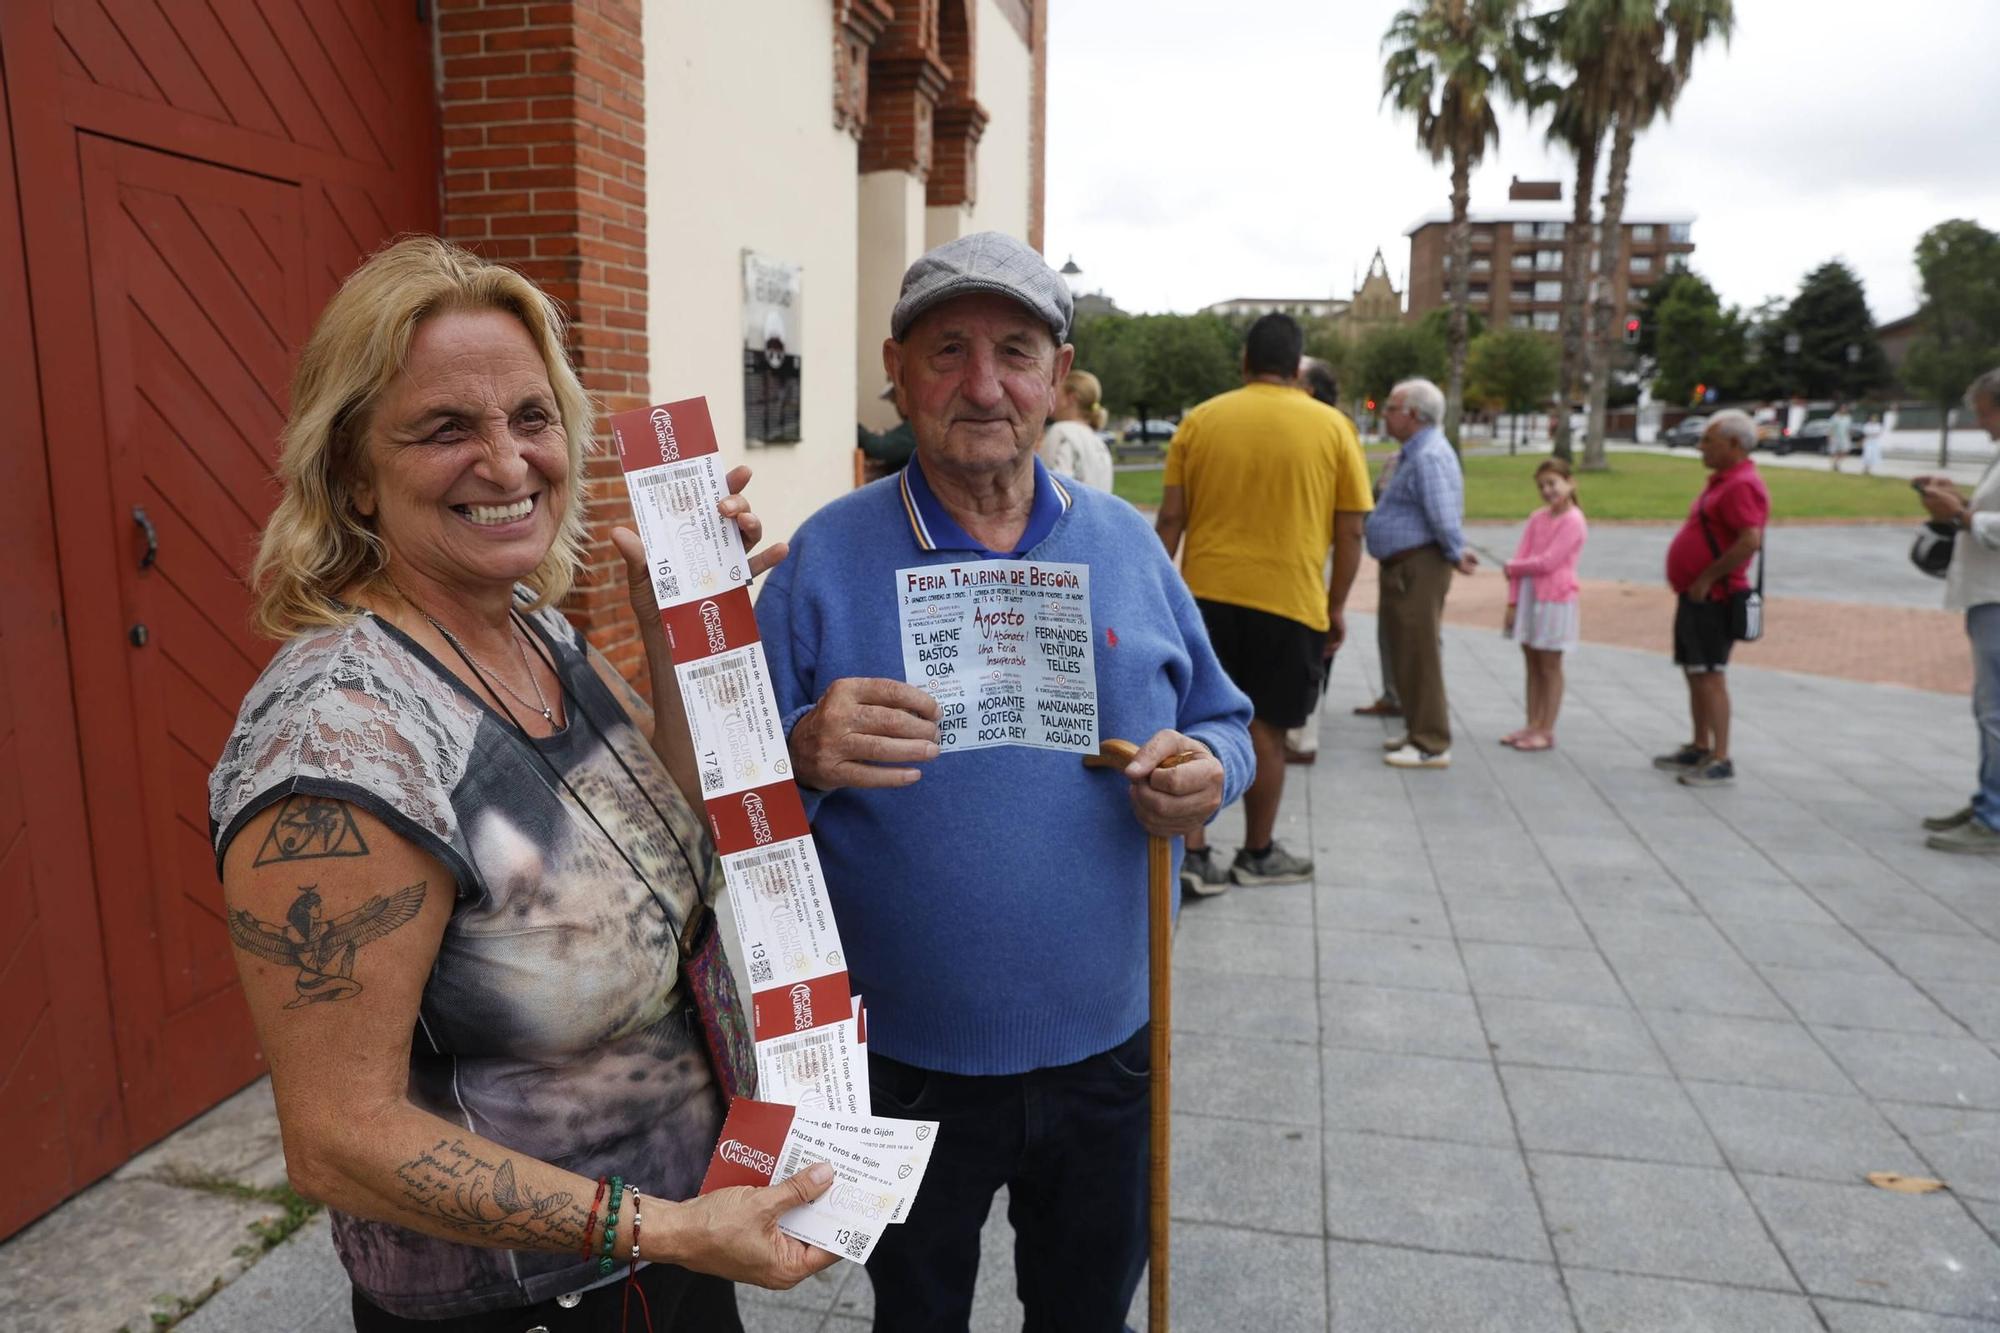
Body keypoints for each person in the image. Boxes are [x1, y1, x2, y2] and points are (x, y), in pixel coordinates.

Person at [209, 237, 837, 1330]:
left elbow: (679, 840)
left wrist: (669, 626)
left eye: (531, 418)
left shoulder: (533, 636)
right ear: (354, 468)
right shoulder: (341, 741)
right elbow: (338, 1136)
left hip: (672, 1249)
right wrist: (668, 1228)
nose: (506, 464)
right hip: (520, 1305)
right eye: (445, 428)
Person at [752, 230, 1253, 1331]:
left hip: (1108, 1047)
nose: (983, 386)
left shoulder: (1126, 546)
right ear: (895, 368)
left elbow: (1224, 715)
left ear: (1057, 377)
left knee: (1084, 1313)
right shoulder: (821, 560)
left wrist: (1210, 768)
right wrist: (794, 750)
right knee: (915, 1314)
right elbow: (725, 804)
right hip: (903, 1059)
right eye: (947, 352)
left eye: (1015, 351)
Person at [1155, 320, 1371, 888]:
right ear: (1299, 368)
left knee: (1193, 722)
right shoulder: (1333, 428)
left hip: (1205, 598)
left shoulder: (1201, 420)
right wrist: (1337, 605)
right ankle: (1257, 852)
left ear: (1244, 359)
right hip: (1291, 602)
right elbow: (1351, 533)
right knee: (1268, 731)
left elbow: (1172, 518)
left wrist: (1154, 597)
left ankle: (1195, 856)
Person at [1652, 409, 1769, 788]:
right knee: (1695, 670)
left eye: (1708, 440)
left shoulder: (1741, 485)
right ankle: (1700, 745)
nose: (1701, 447)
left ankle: (1721, 757)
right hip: (1695, 594)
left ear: (1734, 445)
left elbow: (1750, 539)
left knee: (1711, 675)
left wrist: (1708, 577)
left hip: (1715, 596)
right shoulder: (1722, 481)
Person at [1364, 378, 1477, 768]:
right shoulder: (1416, 452)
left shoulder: (1428, 455)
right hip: (1407, 564)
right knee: (1407, 652)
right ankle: (1418, 729)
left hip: (1419, 566)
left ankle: (1430, 742)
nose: (1385, 415)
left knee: (1420, 652)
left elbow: (1443, 515)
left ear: (1413, 415)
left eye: (1391, 409)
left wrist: (1455, 550)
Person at [1911, 367, 2000, 854]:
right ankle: (1989, 800)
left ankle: (1994, 816)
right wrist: (1957, 503)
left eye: (1984, 413)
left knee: (1996, 712)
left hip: (1998, 598)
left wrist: (1962, 516)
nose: (1981, 423)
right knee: (1989, 708)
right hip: (1986, 595)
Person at [1284, 357, 1347, 764]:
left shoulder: (1332, 430)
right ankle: (1299, 732)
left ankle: (1303, 735)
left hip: (1309, 566)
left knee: (1314, 653)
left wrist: (1337, 602)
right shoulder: (1323, 428)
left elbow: (1351, 524)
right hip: (1300, 566)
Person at [1501, 458, 1588, 751]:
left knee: (1549, 664)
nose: (1547, 490)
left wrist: (1513, 567)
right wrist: (1512, 602)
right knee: (1532, 662)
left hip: (1555, 599)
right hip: (1529, 596)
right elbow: (1521, 557)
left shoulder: (1574, 520)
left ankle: (1546, 728)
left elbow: (1549, 561)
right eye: (1542, 486)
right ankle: (1531, 722)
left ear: (1569, 482)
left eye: (1552, 483)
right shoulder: (1537, 518)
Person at [1040, 368, 1115, 490]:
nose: (1051, 396)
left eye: (1056, 392)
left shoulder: (1061, 432)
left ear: (1071, 398)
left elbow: (1053, 486)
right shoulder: (1099, 443)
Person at [1827, 401, 1854, 472]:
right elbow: (1831, 428)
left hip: (1844, 437)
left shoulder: (1848, 418)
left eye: (1845, 408)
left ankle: (1837, 463)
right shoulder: (1835, 417)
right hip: (1835, 437)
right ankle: (1834, 465)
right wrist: (1830, 437)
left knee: (1844, 451)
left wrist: (1850, 437)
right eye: (1842, 408)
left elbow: (1849, 429)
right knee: (1834, 452)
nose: (1844, 410)